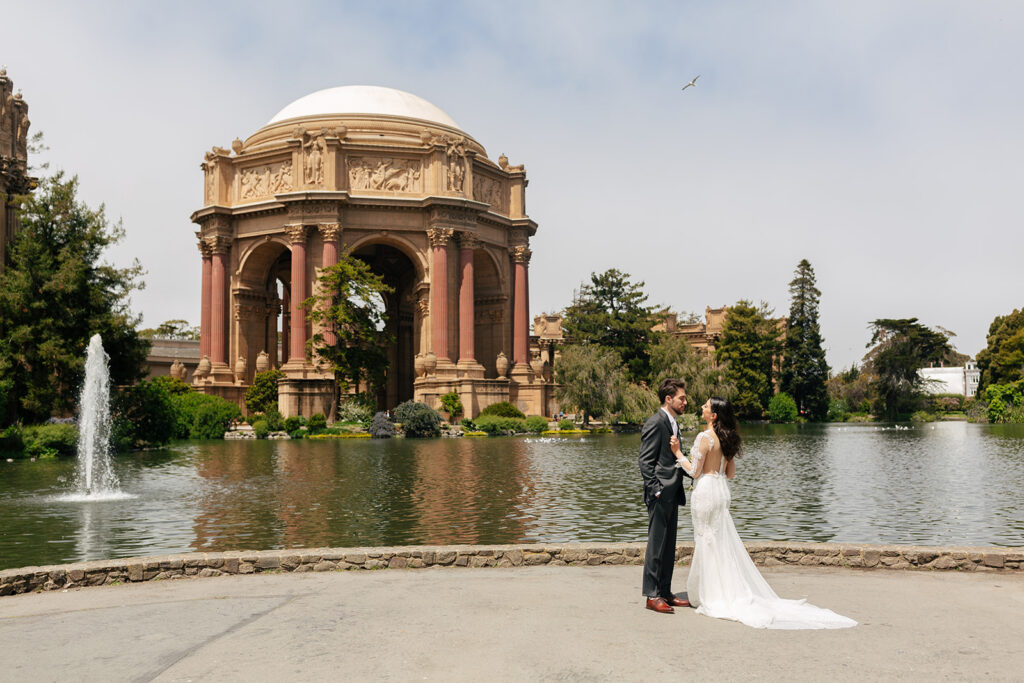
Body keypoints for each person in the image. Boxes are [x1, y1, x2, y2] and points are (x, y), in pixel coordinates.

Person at [669, 397, 857, 629]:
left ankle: (709, 594)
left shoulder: (704, 438)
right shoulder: (728, 438)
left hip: (706, 491)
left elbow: (695, 472)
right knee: (717, 540)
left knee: (705, 540)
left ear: (714, 415)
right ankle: (719, 589)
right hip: (721, 492)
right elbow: (730, 475)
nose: (702, 408)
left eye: (706, 406)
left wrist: (678, 453)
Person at [637, 378, 692, 614]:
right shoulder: (656, 422)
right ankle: (652, 595)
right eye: (681, 398)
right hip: (660, 493)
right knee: (656, 546)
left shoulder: (673, 423)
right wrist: (656, 489)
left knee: (669, 546)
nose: (685, 402)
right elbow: (645, 461)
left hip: (672, 492)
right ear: (668, 399)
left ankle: (666, 592)